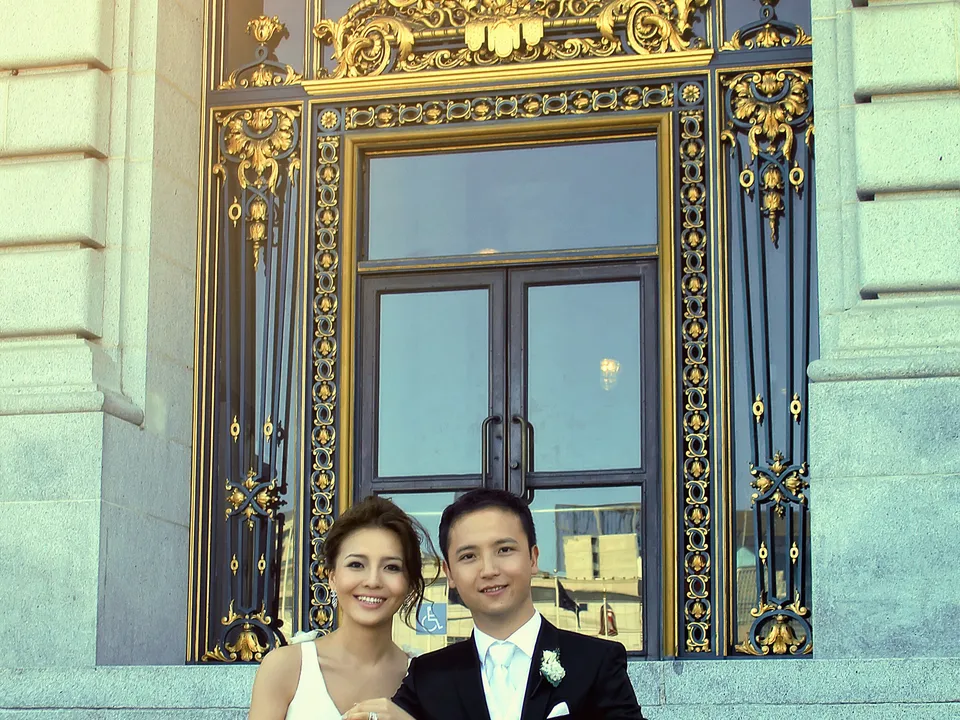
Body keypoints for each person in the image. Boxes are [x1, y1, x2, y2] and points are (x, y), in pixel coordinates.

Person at [345, 488, 645, 720]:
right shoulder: (428, 676)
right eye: (468, 556)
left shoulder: (596, 662)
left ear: (533, 558)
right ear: (450, 573)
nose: (488, 570)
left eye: (504, 550)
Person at [248, 495, 431, 720]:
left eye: (391, 567)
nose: (373, 581)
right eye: (356, 564)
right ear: (332, 577)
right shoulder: (287, 667)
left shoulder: (425, 680)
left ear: (409, 584)